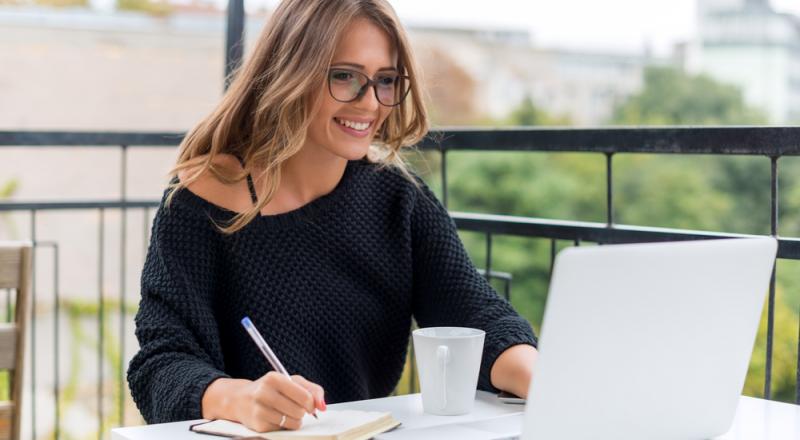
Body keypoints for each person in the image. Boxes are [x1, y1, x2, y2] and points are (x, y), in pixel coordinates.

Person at [127, 0, 538, 433]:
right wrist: (240, 398)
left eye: (385, 80)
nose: (370, 103)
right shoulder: (202, 198)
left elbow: (479, 318)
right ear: (292, 71)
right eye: (345, 76)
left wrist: (546, 382)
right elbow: (159, 363)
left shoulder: (399, 198)